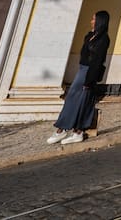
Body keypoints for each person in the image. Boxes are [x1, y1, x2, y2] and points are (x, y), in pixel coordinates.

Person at [48, 11, 110, 145]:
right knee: (74, 99)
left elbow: (97, 61)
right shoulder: (90, 36)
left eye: (94, 19)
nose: (91, 21)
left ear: (100, 21)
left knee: (79, 100)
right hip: (82, 70)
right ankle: (68, 129)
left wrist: (89, 79)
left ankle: (70, 130)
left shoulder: (104, 39)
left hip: (89, 72)